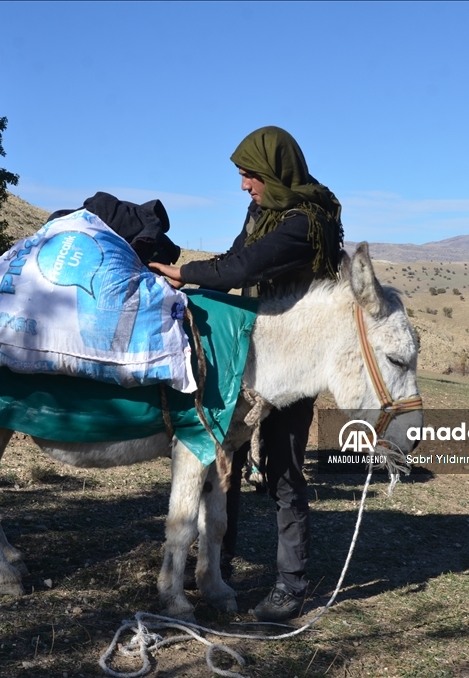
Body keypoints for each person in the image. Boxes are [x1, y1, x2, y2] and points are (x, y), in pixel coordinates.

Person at [149, 126, 343, 621]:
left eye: (249, 175)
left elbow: (245, 269)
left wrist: (185, 274)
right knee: (223, 461)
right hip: (247, 356)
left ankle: (291, 585)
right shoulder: (264, 211)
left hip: (290, 363)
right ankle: (218, 567)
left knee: (284, 471)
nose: (243, 186)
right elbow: (236, 257)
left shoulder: (306, 221)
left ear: (275, 172)